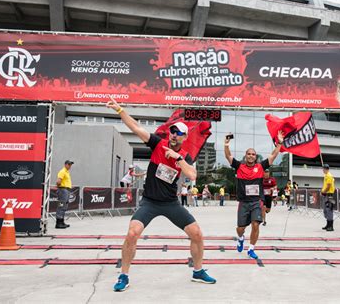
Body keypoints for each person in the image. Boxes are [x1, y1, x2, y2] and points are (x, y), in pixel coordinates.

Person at [106, 97, 216, 292]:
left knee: (197, 234)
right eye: (173, 131)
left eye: (179, 133)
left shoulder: (185, 156)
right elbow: (136, 128)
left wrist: (178, 158)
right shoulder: (158, 144)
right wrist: (120, 110)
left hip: (171, 203)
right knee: (132, 233)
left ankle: (198, 272)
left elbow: (192, 174)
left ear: (184, 138)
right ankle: (124, 275)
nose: (174, 135)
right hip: (150, 202)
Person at [224, 130, 283, 259]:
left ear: (255, 157)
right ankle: (240, 238)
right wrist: (226, 144)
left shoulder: (261, 167)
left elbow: (273, 155)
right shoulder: (239, 167)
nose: (251, 156)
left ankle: (251, 249)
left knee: (255, 224)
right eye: (249, 154)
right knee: (240, 228)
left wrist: (279, 143)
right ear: (245, 156)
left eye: (253, 154)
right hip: (243, 202)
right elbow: (228, 156)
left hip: (257, 201)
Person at [55, 160, 74, 229]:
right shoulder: (62, 171)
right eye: (69, 164)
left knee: (64, 206)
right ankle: (58, 222)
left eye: (70, 165)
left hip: (66, 190)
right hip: (63, 190)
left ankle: (61, 221)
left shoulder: (67, 172)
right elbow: (58, 181)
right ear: (65, 164)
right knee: (61, 205)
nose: (70, 166)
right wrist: (59, 187)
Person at [321, 164, 336, 231]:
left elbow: (328, 186)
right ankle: (328, 225)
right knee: (326, 210)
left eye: (323, 169)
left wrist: (323, 191)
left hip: (329, 195)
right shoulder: (326, 176)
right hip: (326, 195)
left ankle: (331, 226)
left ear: (326, 169)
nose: (323, 170)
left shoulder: (329, 176)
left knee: (329, 210)